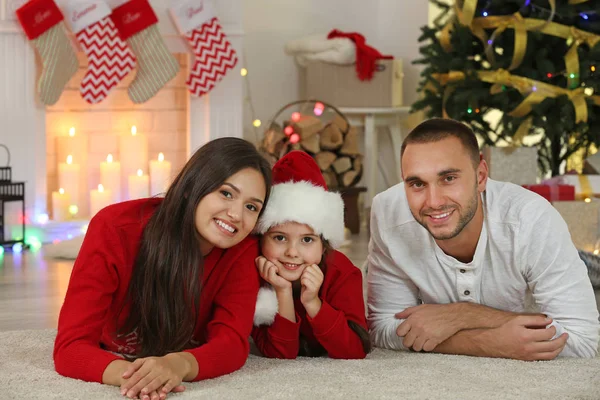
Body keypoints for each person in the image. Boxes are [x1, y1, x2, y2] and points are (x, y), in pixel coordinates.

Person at [54, 137, 272, 400]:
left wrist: (178, 365)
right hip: (118, 349)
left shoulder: (243, 249)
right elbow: (70, 348)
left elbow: (232, 344)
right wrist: (142, 377)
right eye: (226, 193)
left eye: (251, 207)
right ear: (191, 187)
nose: (236, 214)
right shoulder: (114, 228)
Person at [367, 118, 600, 360]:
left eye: (448, 178)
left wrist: (463, 315)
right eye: (417, 184)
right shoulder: (387, 211)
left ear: (480, 176)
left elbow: (581, 339)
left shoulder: (530, 218)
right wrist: (483, 343)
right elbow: (380, 328)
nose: (434, 202)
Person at [251, 151, 371, 359]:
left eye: (307, 240)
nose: (292, 252)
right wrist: (283, 292)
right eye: (279, 238)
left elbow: (355, 350)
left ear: (324, 245)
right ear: (262, 238)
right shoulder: (254, 270)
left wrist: (313, 302)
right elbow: (280, 353)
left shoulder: (342, 272)